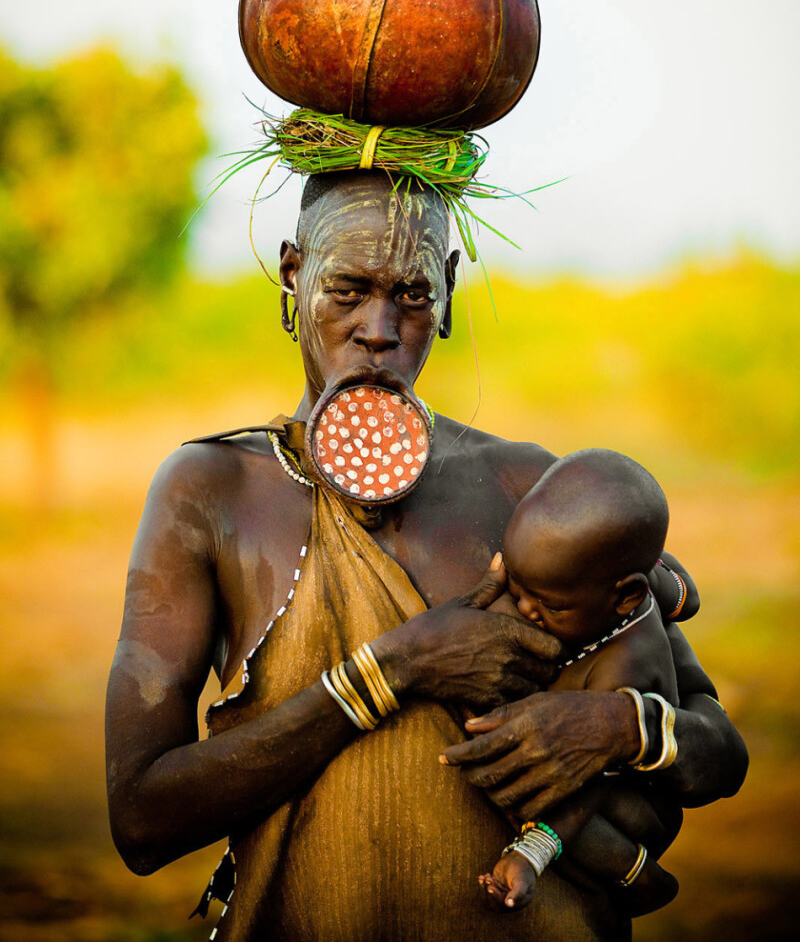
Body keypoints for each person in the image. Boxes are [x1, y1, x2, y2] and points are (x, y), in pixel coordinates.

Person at [105, 170, 748, 942]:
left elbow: (718, 748)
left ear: (446, 293)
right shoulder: (213, 491)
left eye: (412, 294)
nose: (378, 328)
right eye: (346, 289)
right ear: (292, 274)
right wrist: (396, 668)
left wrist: (607, 727)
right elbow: (142, 818)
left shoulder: (532, 490)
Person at [476, 447, 683, 913]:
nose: (526, 609)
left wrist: (531, 853)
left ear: (626, 597)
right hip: (578, 749)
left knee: (526, 787)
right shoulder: (586, 588)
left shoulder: (625, 664)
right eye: (516, 585)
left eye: (549, 605)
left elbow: (583, 779)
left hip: (616, 790)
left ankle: (637, 877)